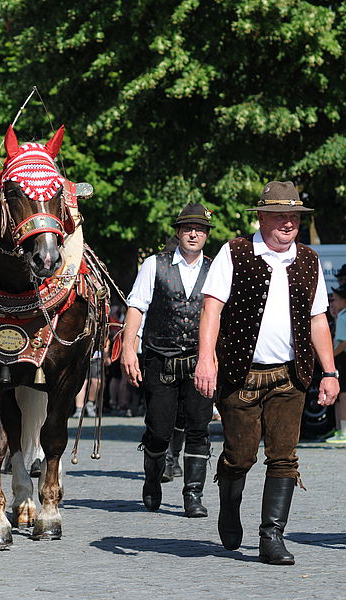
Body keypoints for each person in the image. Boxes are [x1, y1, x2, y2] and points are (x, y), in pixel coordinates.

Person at [194, 181, 339, 565]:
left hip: (290, 376)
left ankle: (271, 535)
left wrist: (330, 371)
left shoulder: (308, 259)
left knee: (284, 458)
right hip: (240, 374)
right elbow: (211, 309)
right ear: (261, 218)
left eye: (293, 216)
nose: (288, 223)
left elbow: (318, 319)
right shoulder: (235, 252)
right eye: (279, 216)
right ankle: (229, 498)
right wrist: (206, 359)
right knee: (240, 456)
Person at [121, 203, 215, 517]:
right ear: (177, 232)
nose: (193, 234)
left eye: (199, 229)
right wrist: (127, 349)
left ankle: (193, 495)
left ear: (206, 235)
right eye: (187, 228)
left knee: (199, 429)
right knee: (159, 430)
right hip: (160, 360)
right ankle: (152, 480)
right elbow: (136, 307)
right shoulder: (154, 264)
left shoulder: (215, 270)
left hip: (199, 362)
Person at [325, 285, 346, 444]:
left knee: (343, 396)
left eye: (336, 300)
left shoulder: (344, 317)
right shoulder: (341, 316)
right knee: (340, 397)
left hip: (342, 359)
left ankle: (343, 431)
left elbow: (343, 343)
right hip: (340, 359)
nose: (333, 303)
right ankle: (340, 429)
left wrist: (329, 357)